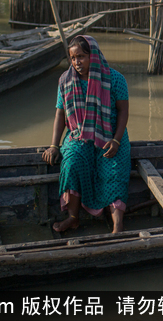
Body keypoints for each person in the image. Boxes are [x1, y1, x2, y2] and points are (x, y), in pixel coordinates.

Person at [42, 35, 130, 234]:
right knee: (71, 162)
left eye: (81, 56)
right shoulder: (65, 80)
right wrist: (54, 145)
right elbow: (60, 113)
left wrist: (116, 140)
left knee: (114, 170)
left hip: (110, 136)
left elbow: (123, 111)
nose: (77, 62)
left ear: (94, 55)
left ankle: (118, 224)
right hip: (79, 135)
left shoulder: (115, 79)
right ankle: (73, 218)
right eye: (73, 58)